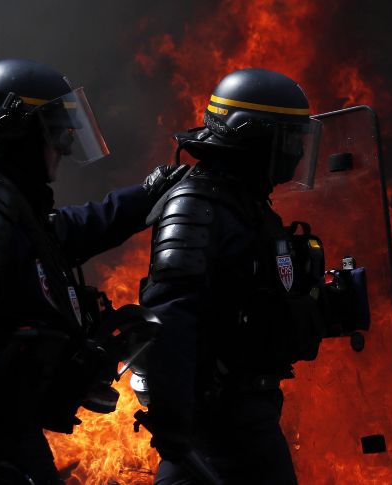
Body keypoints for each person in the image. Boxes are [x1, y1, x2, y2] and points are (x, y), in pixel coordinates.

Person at [0, 58, 188, 485]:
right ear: (23, 132)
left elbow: (59, 235)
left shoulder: (3, 196)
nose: (66, 145)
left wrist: (146, 197)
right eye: (57, 131)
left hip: (2, 434)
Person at [137, 68, 331, 484]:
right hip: (215, 424)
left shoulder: (246, 206)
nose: (298, 152)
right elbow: (170, 317)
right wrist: (175, 423)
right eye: (290, 139)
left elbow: (250, 301)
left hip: (250, 414)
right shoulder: (197, 206)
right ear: (256, 138)